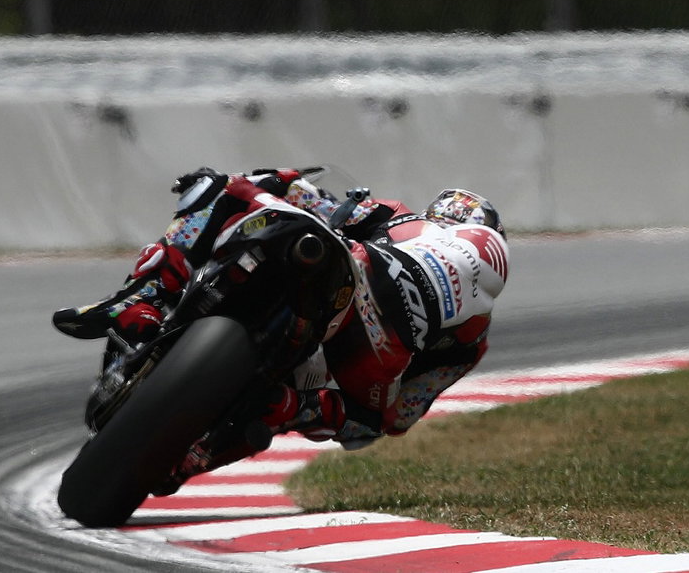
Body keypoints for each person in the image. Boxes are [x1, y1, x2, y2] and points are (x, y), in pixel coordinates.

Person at [52, 167, 509, 462]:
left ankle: (143, 298)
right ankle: (241, 430)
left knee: (221, 187)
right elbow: (400, 416)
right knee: (350, 420)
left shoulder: (397, 216)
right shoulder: (472, 340)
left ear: (443, 217)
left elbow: (324, 206)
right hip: (370, 360)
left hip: (352, 274)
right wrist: (313, 411)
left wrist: (283, 178)